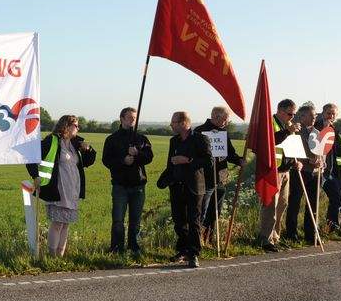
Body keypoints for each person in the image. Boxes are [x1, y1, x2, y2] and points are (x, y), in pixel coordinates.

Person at [26, 115, 97, 257]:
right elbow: (31, 158)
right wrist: (36, 176)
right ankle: (52, 256)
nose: (78, 128)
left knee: (66, 224)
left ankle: (60, 256)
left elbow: (89, 161)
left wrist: (87, 149)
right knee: (58, 223)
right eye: (76, 125)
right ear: (66, 126)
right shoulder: (52, 141)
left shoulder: (76, 143)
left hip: (72, 189)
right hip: (58, 189)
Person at [101, 107, 154, 261]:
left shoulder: (141, 138)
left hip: (138, 185)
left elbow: (149, 157)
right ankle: (117, 248)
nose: (132, 120)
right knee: (118, 219)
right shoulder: (112, 139)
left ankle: (134, 247)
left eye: (134, 118)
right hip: (120, 185)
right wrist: (123, 161)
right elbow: (106, 160)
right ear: (122, 118)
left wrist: (137, 155)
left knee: (135, 220)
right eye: (129, 117)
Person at [160, 111, 210, 268]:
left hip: (194, 187)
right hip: (176, 186)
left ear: (183, 123)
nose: (171, 125)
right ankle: (183, 249)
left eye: (173, 122)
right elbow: (170, 163)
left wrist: (188, 160)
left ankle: (194, 253)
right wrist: (164, 180)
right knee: (178, 221)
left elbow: (208, 161)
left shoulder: (200, 138)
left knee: (193, 221)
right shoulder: (174, 141)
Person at [192, 106, 244, 244]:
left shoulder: (223, 133)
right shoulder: (199, 131)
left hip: (220, 179)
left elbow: (230, 153)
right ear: (216, 117)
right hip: (205, 179)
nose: (227, 123)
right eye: (226, 120)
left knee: (215, 212)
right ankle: (198, 242)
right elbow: (195, 157)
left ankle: (210, 239)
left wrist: (239, 161)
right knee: (202, 212)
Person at [256, 99, 301, 252]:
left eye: (294, 114)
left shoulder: (288, 126)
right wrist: (288, 131)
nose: (292, 117)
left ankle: (276, 237)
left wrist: (296, 161)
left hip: (286, 170)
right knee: (270, 206)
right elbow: (270, 141)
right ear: (280, 110)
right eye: (290, 114)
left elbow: (289, 147)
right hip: (272, 171)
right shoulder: (270, 123)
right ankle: (266, 239)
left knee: (282, 205)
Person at [283, 104, 322, 246]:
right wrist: (308, 160)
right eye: (312, 116)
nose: (314, 118)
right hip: (300, 171)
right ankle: (291, 233)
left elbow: (321, 151)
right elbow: (293, 151)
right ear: (303, 116)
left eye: (315, 116)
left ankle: (311, 233)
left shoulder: (318, 132)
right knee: (295, 202)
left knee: (313, 204)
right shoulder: (296, 131)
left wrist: (321, 161)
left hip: (316, 173)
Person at [315, 103, 341, 233]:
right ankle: (311, 230)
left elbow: (337, 150)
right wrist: (325, 129)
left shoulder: (333, 128)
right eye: (328, 113)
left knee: (337, 198)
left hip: (329, 172)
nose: (331, 116)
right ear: (323, 113)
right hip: (317, 171)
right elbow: (316, 145)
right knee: (313, 201)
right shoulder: (316, 126)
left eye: (333, 114)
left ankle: (331, 226)